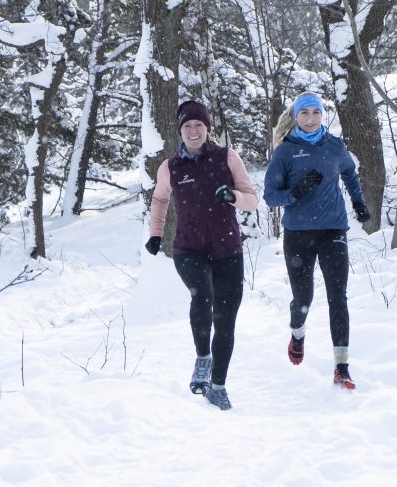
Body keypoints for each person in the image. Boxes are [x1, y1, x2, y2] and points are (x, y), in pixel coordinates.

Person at [145, 100, 259, 410]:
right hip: (189, 248)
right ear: (179, 131)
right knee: (202, 295)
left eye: (198, 125)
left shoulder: (227, 158)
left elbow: (252, 200)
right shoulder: (171, 167)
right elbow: (159, 200)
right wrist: (156, 234)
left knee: (226, 320)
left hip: (227, 249)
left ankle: (218, 386)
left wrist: (233, 196)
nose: (193, 131)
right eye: (187, 126)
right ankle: (202, 358)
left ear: (207, 129)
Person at [263, 92, 370, 390]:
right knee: (303, 299)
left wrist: (358, 202)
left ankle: (342, 367)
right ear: (296, 116)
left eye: (316, 112)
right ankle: (298, 334)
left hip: (333, 230)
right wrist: (295, 193)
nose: (310, 118)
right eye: (304, 113)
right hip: (298, 234)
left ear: (323, 115)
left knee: (339, 297)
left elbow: (349, 172)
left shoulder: (335, 146)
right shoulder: (285, 152)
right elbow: (270, 196)